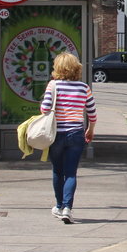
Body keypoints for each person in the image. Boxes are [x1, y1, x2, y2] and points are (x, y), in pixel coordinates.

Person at [39, 51, 96, 224]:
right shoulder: (83, 87)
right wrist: (90, 130)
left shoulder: (53, 86)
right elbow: (92, 113)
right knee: (71, 173)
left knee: (58, 170)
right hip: (76, 133)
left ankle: (58, 205)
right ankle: (67, 209)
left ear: (58, 68)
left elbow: (45, 109)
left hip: (56, 134)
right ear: (76, 68)